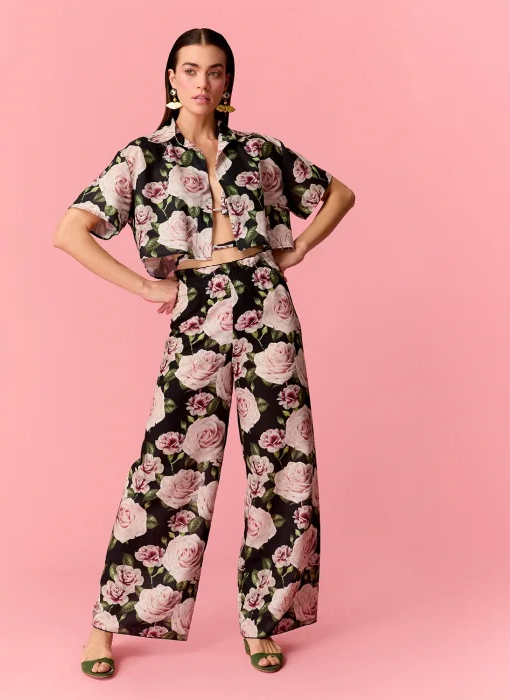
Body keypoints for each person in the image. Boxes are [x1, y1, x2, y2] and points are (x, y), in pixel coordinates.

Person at [52, 27, 356, 678]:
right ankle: (107, 624)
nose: (202, 82)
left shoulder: (258, 152)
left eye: (214, 71)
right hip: (197, 306)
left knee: (285, 465)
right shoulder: (142, 157)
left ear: (228, 84)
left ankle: (263, 619)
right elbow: (70, 231)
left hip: (268, 303)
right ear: (171, 78)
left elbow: (339, 194)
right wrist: (146, 286)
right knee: (168, 466)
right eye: (190, 70)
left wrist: (297, 249)